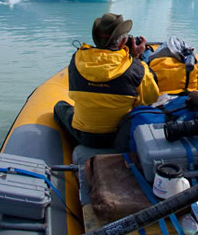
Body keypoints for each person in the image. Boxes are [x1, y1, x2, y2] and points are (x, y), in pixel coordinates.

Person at [53, 13, 159, 149]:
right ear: (122, 42)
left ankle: (69, 147)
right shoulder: (137, 69)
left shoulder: (77, 59)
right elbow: (151, 99)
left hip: (84, 136)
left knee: (59, 107)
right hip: (120, 136)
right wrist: (136, 58)